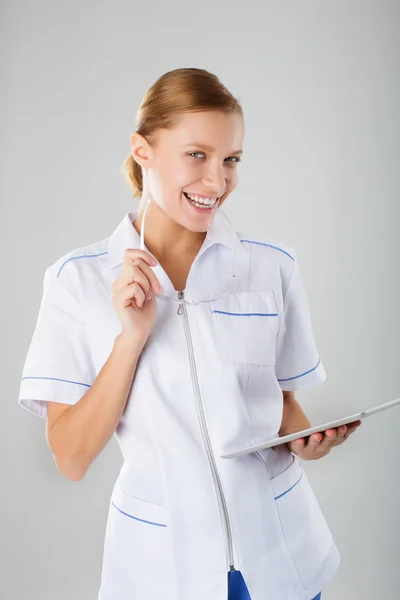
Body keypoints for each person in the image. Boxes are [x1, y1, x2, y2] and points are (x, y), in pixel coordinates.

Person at [18, 67, 360, 600]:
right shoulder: (77, 281)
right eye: (197, 155)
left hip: (280, 557)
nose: (217, 182)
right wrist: (130, 339)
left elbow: (284, 409)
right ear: (142, 150)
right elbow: (72, 457)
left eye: (231, 160)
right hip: (160, 569)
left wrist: (311, 443)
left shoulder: (273, 268)